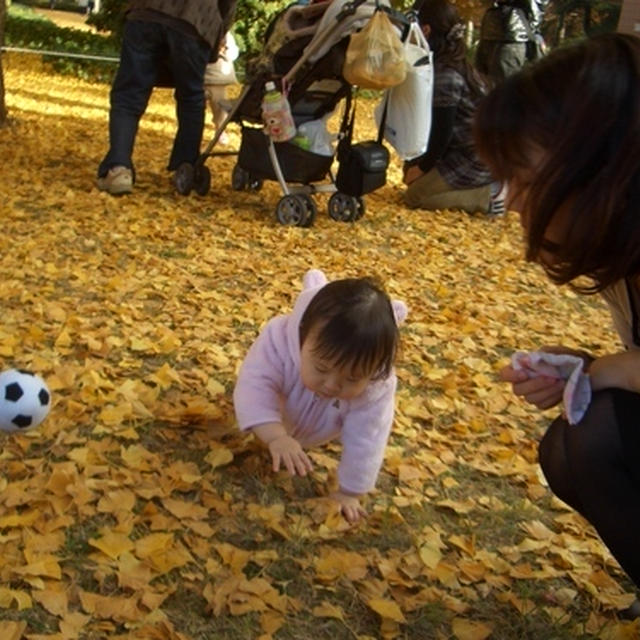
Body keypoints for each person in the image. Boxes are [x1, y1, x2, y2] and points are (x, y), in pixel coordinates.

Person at [473, 33, 640, 594]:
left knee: (596, 438)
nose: (514, 201)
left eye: (523, 176)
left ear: (598, 166)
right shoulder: (625, 255)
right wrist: (592, 365)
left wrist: (608, 370)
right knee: (572, 444)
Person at [233, 269, 407, 524]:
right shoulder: (278, 339)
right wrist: (275, 436)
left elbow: (368, 438)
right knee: (259, 406)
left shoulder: (376, 387)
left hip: (322, 429)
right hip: (278, 412)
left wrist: (350, 492)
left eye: (352, 378)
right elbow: (254, 385)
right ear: (302, 336)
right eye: (322, 369)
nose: (332, 385)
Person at [97, 0, 237, 196]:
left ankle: (118, 169)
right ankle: (186, 168)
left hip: (147, 11)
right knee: (191, 97)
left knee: (129, 93)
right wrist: (219, 32)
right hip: (195, 18)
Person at [402, 0, 502, 215]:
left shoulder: (446, 75)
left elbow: (441, 133)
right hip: (471, 152)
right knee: (410, 176)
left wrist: (422, 168)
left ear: (426, 30)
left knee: (414, 196)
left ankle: (488, 196)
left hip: (475, 158)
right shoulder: (455, 63)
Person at [475, 0, 549, 82]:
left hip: (511, 35)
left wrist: (530, 31)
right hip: (492, 31)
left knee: (504, 84)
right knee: (482, 83)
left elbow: (536, 10)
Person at [204, 31, 239, 145]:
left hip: (217, 77)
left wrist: (225, 50)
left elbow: (233, 53)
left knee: (219, 107)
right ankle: (194, 130)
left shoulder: (225, 34)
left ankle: (220, 130)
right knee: (194, 106)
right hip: (199, 74)